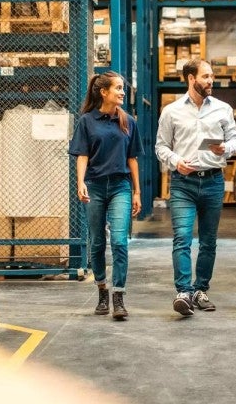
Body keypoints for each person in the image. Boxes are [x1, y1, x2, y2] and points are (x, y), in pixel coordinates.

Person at [155, 59, 236, 317]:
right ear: (191, 79)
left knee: (208, 241)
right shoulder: (171, 112)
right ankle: (183, 292)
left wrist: (226, 148)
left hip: (214, 181)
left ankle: (200, 290)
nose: (210, 81)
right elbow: (161, 146)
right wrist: (176, 162)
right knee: (182, 237)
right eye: (205, 76)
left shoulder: (223, 109)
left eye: (212, 76)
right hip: (183, 183)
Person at [69, 71, 143, 321]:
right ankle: (102, 289)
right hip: (95, 186)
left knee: (120, 241)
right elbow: (82, 155)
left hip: (121, 186)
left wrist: (137, 191)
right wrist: (80, 182)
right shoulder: (87, 121)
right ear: (104, 92)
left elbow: (132, 158)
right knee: (97, 241)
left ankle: (118, 295)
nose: (123, 92)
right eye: (118, 88)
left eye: (123, 88)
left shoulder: (128, 121)